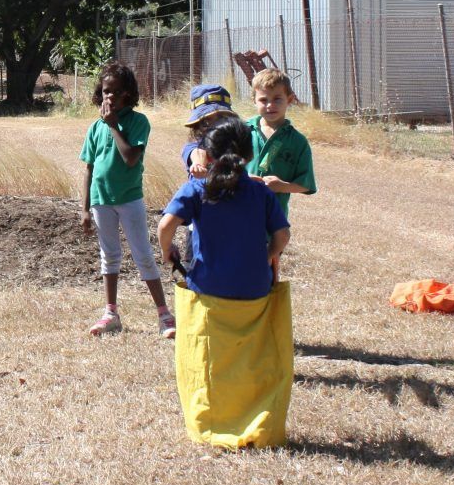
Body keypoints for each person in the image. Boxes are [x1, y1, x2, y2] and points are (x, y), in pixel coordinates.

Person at [156, 118, 294, 449]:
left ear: (209, 155)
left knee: (207, 364)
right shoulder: (260, 191)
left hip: (209, 292)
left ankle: (211, 422)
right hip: (255, 293)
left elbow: (165, 226)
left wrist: (167, 253)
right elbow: (283, 235)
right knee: (252, 362)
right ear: (248, 155)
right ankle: (256, 418)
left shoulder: (197, 189)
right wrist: (267, 257)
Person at [79, 63, 174, 339]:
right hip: (101, 200)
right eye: (106, 91)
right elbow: (88, 168)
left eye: (117, 92)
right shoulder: (95, 128)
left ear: (128, 95)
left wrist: (113, 126)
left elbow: (131, 158)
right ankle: (111, 313)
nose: (110, 97)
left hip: (129, 198)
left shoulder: (137, 122)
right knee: (109, 256)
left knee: (143, 254)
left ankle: (164, 314)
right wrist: (85, 208)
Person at [245, 69, 317, 219]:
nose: (270, 105)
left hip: (272, 218)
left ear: (289, 100)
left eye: (277, 99)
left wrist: (282, 186)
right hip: (238, 212)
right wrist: (242, 177)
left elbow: (306, 184)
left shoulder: (297, 142)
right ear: (254, 100)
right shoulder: (241, 131)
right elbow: (222, 168)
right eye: (264, 100)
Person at [181, 83, 239, 177]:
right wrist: (198, 164)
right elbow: (198, 152)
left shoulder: (235, 146)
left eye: (221, 120)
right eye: (206, 123)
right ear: (197, 127)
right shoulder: (194, 146)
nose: (215, 127)